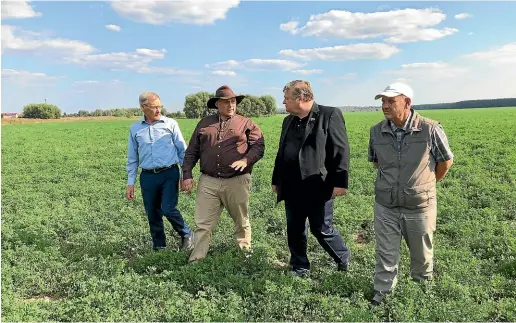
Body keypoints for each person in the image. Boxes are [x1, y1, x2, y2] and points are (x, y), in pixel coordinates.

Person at [368, 82, 454, 305]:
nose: (384, 106)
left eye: (390, 101)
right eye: (383, 102)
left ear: (407, 102)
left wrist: (426, 184)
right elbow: (378, 163)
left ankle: (421, 292)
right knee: (385, 253)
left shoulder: (429, 128)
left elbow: (446, 161)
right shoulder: (376, 131)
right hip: (386, 204)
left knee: (421, 254)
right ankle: (383, 294)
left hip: (419, 205)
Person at [271, 80, 351, 277]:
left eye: (286, 98)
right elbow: (282, 152)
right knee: (295, 228)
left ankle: (343, 256)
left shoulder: (329, 115)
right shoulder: (288, 120)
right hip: (291, 185)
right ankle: (300, 266)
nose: (283, 102)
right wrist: (276, 179)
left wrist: (340, 182)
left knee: (321, 228)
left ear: (300, 99)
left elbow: (340, 150)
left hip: (318, 185)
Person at [182, 85, 265, 263]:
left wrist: (246, 160)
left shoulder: (246, 123)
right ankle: (196, 259)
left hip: (237, 181)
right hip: (208, 181)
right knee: (203, 224)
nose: (231, 105)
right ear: (217, 104)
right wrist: (187, 174)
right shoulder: (204, 123)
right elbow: (192, 151)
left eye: (233, 101)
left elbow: (258, 146)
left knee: (241, 221)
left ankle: (246, 257)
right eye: (226, 102)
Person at [126, 91, 194, 251]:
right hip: (147, 177)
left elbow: (182, 151)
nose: (158, 110)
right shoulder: (135, 129)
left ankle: (187, 234)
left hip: (169, 173)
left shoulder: (170, 124)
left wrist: (186, 175)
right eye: (154, 107)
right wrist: (130, 183)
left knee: (168, 208)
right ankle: (159, 247)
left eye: (160, 107)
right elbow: (132, 158)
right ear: (143, 107)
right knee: (152, 213)